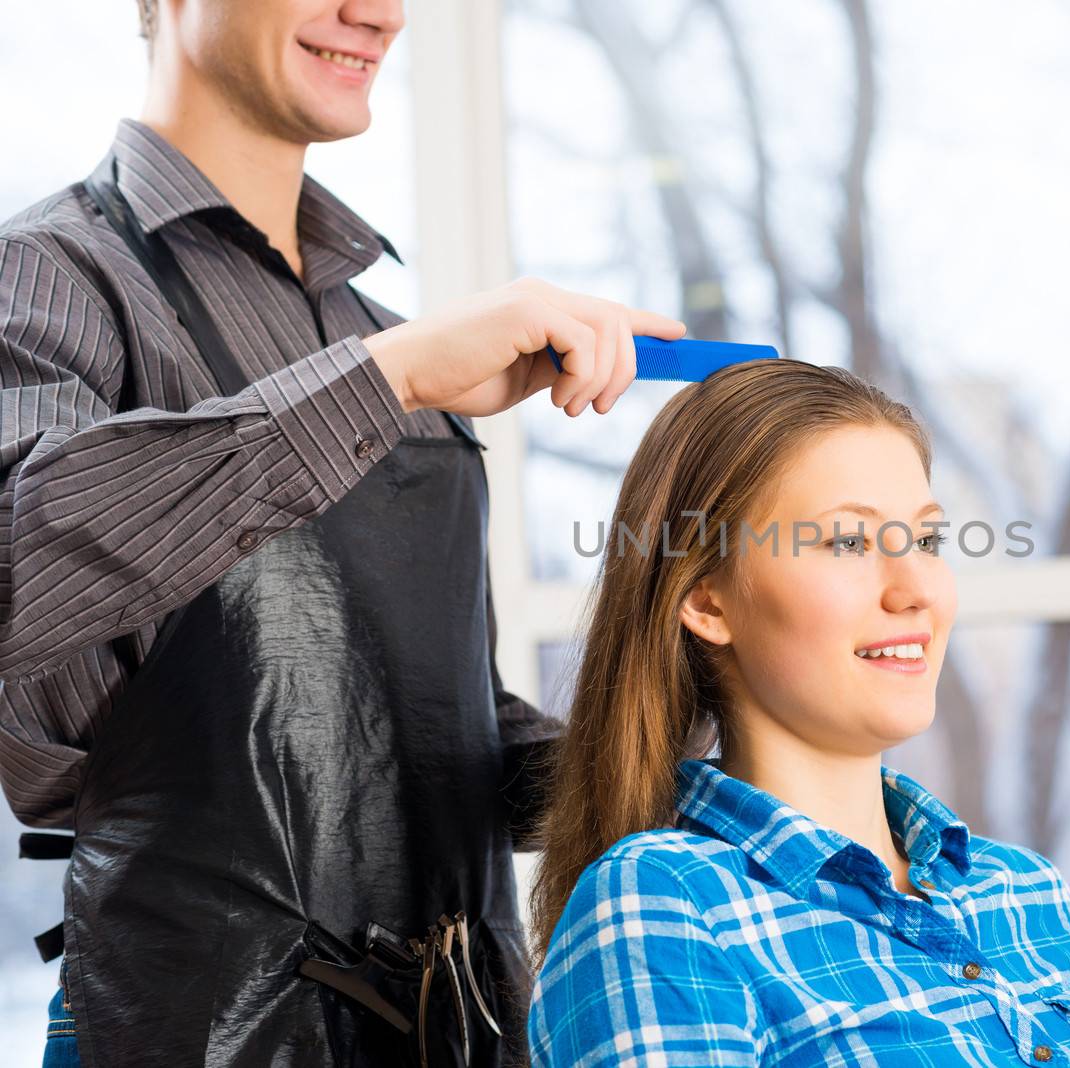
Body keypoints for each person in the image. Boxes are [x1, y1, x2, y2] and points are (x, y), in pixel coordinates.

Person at [0, 1, 686, 1065]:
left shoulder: (380, 329)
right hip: (189, 1029)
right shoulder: (51, 277)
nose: (379, 13)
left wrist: (695, 768)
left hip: (460, 1030)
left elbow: (433, 740)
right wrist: (394, 380)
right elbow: (17, 571)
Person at [526, 360, 1070, 1066]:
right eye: (849, 542)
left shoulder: (1028, 894)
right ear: (706, 600)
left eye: (927, 541)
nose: (916, 590)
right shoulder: (665, 903)